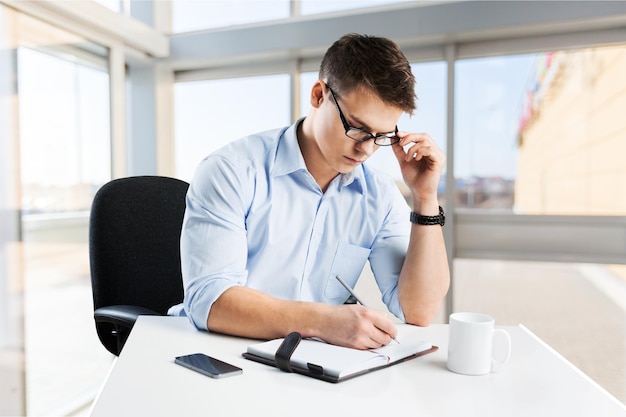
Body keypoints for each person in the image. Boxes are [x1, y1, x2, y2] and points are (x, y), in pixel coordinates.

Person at [168, 33, 450, 350]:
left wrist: (425, 198)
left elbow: (419, 310)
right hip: (217, 349)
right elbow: (209, 301)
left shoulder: (379, 195)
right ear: (319, 95)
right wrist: (323, 321)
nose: (366, 149)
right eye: (357, 127)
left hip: (309, 363)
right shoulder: (232, 170)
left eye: (381, 136)